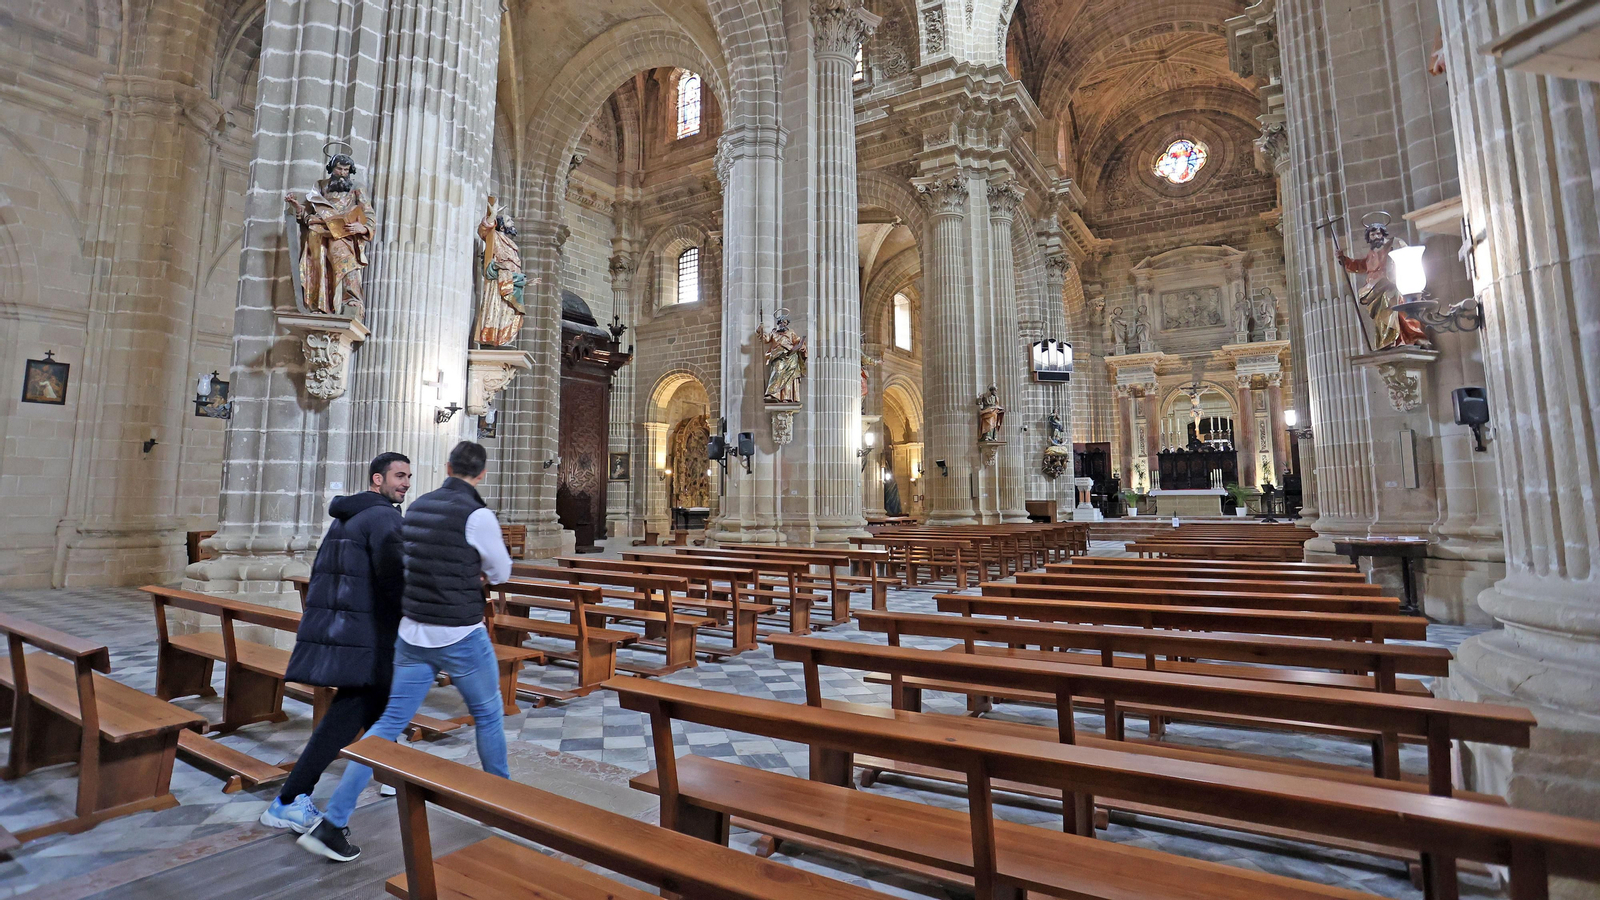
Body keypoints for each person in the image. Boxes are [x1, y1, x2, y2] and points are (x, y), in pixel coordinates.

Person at [297, 441, 514, 863]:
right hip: (459, 632)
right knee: (488, 713)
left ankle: (333, 821)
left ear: (448, 466)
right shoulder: (478, 514)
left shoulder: (415, 508)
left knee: (386, 726)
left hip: (413, 632)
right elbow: (501, 573)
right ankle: (502, 805)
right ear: (481, 474)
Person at [259, 452, 411, 835]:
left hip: (350, 628)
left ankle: (390, 771)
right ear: (377, 479)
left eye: (408, 476)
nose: (405, 483)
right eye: (398, 476)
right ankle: (290, 799)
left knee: (384, 708)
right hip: (370, 635)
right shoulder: (384, 517)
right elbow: (397, 580)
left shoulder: (351, 514)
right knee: (348, 716)